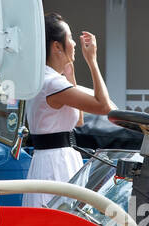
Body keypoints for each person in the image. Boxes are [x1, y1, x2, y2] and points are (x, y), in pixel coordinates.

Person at [22, 12, 114, 207]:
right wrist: (92, 61)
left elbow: (78, 121)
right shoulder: (52, 83)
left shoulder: (47, 79)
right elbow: (103, 106)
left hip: (56, 158)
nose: (74, 44)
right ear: (57, 46)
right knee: (59, 220)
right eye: (70, 38)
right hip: (55, 163)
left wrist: (70, 74)